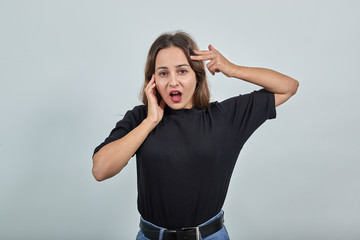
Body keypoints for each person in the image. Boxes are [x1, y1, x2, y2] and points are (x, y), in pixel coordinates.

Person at [92, 31, 299, 240]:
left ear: (197, 76)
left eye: (182, 71)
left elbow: (288, 87)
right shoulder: (139, 118)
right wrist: (150, 121)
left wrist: (232, 69)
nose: (173, 82)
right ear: (152, 80)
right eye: (163, 73)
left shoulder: (225, 117)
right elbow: (100, 170)